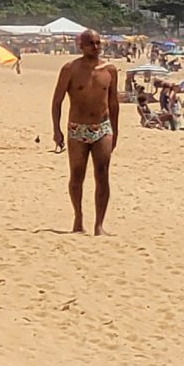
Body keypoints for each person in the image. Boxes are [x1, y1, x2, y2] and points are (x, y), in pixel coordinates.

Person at [49, 30, 121, 235]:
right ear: (81, 45)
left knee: (102, 174)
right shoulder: (70, 69)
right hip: (77, 128)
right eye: (91, 43)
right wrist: (56, 129)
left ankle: (99, 225)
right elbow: (57, 101)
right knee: (77, 176)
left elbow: (114, 103)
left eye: (98, 43)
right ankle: (78, 219)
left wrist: (115, 131)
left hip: (103, 127)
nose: (96, 47)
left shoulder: (110, 70)